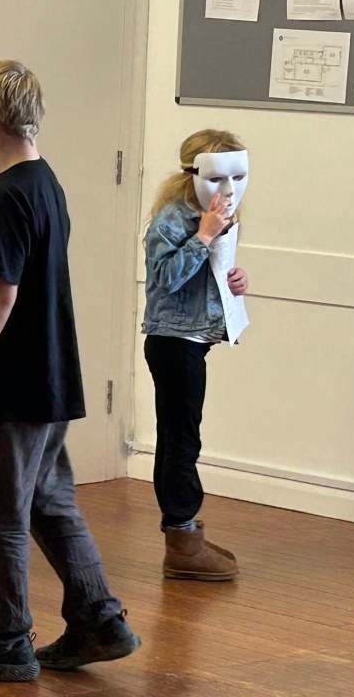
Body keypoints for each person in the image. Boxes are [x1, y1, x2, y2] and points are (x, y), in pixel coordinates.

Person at [0, 59, 140, 682]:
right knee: (47, 501)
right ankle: (100, 620)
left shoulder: (4, 195)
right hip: (50, 380)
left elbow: (0, 294)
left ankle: (2, 638)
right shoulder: (48, 183)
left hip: (10, 387)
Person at [142, 129, 250, 582]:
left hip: (194, 339)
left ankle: (184, 535)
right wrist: (203, 237)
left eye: (238, 176)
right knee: (181, 440)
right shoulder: (172, 219)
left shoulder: (218, 213)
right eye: (218, 176)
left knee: (180, 436)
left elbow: (210, 275)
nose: (228, 188)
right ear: (193, 173)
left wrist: (235, 279)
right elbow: (165, 278)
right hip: (173, 341)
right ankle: (182, 538)